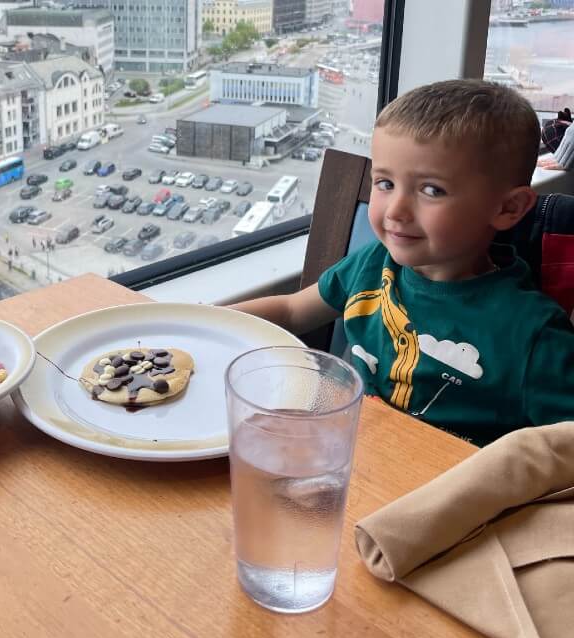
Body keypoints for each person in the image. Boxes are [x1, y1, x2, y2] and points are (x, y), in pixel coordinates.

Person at [231, 79, 574, 447]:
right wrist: (196, 322)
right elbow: (291, 310)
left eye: (431, 190)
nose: (395, 210)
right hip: (345, 450)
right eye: (384, 183)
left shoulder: (532, 337)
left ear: (508, 208)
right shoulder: (374, 262)